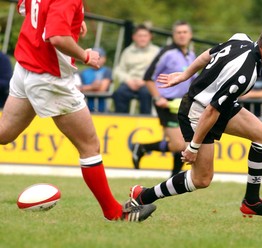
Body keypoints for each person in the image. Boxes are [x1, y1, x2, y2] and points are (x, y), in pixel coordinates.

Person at [1, 0, 156, 222]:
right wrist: (85, 56)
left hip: (25, 68)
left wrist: (73, 20)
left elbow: (27, 8)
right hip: (49, 76)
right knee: (90, 146)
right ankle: (115, 213)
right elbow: (57, 38)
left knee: (4, 133)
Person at [128, 24, 262, 219]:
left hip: (216, 106)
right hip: (198, 111)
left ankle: (252, 201)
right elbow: (211, 111)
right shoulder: (244, 75)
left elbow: (208, 54)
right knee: (202, 179)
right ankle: (143, 195)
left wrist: (184, 75)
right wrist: (193, 147)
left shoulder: (241, 38)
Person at [130, 20, 196, 177]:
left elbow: (194, 80)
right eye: (178, 32)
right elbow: (148, 77)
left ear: (190, 35)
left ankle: (173, 178)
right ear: (173, 35)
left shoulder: (191, 55)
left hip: (184, 104)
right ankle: (143, 148)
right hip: (166, 104)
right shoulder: (167, 53)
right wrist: (158, 97)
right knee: (180, 144)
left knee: (183, 144)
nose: (182, 35)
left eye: (185, 32)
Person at [112, 24, 160, 114]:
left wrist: (145, 81)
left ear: (150, 37)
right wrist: (128, 80)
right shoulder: (127, 51)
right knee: (119, 94)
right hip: (130, 82)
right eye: (140, 36)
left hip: (148, 83)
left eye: (145, 36)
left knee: (147, 94)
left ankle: (146, 123)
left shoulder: (156, 51)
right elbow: (119, 70)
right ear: (134, 37)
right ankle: (121, 122)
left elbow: (159, 71)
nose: (142, 39)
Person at [79, 47, 112, 112]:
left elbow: (102, 89)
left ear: (104, 59)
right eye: (94, 57)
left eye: (99, 58)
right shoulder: (84, 72)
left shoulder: (107, 71)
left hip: (103, 109)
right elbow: (77, 89)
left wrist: (86, 88)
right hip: (86, 108)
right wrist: (92, 87)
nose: (97, 60)